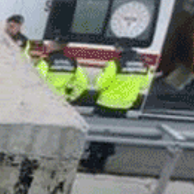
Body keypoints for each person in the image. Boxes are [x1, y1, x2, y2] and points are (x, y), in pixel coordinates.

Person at [82, 43, 151, 173]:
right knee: (112, 134)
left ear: (120, 49)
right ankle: (102, 163)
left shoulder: (115, 63)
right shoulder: (143, 65)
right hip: (124, 105)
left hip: (107, 103)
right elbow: (144, 84)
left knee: (99, 133)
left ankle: (91, 162)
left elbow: (101, 84)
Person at [35, 36, 88, 103]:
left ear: (53, 45)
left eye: (48, 43)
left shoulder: (46, 61)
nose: (46, 45)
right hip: (61, 99)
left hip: (45, 99)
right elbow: (82, 83)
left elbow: (38, 80)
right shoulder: (73, 62)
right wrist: (71, 97)